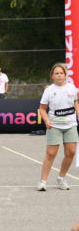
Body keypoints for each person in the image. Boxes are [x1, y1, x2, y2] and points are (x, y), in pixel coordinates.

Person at [37, 63, 79, 192]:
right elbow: (42, 109)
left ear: (65, 75)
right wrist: (47, 120)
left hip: (70, 124)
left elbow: (75, 103)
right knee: (51, 154)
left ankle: (61, 178)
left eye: (61, 73)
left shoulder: (72, 88)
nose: (59, 75)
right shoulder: (49, 90)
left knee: (71, 152)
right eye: (56, 73)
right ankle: (42, 181)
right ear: (52, 76)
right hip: (54, 126)